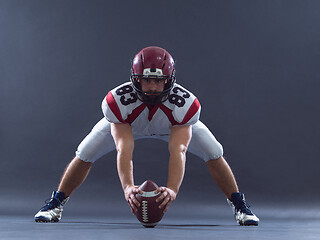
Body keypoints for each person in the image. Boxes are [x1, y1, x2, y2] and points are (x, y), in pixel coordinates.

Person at [34, 46, 259, 226]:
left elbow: (178, 149)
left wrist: (172, 189)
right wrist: (128, 188)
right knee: (85, 151)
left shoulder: (185, 104)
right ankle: (55, 203)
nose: (152, 87)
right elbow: (124, 147)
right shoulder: (118, 102)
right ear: (136, 78)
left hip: (172, 126)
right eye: (147, 80)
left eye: (158, 81)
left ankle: (239, 205)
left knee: (213, 151)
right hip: (129, 125)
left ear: (169, 80)